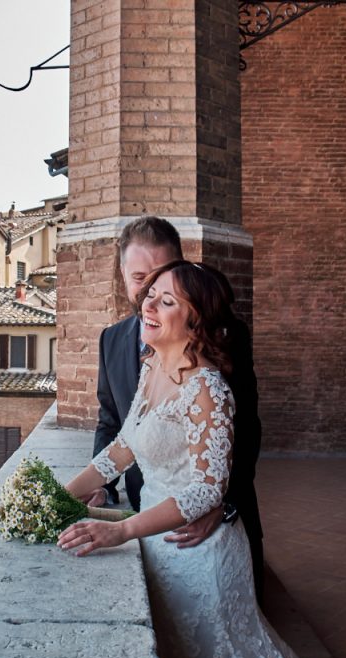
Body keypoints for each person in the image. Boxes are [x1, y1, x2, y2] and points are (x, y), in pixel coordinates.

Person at [58, 261, 315, 658]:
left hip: (198, 557)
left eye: (167, 300)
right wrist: (61, 496)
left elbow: (206, 492)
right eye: (151, 294)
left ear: (195, 322)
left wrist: (121, 531)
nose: (150, 305)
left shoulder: (207, 389)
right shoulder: (152, 366)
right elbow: (123, 449)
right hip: (156, 541)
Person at [85, 216, 266, 600]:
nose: (149, 294)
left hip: (202, 534)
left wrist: (221, 504)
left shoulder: (214, 368)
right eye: (141, 281)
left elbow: (245, 429)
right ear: (122, 274)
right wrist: (76, 492)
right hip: (148, 519)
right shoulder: (135, 354)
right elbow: (118, 431)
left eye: (163, 286)